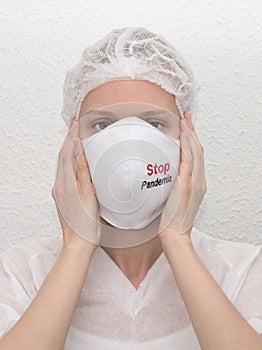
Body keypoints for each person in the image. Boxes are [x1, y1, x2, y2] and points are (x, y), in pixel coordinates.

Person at [0, 27, 261, 350]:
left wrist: (177, 240)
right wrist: (76, 249)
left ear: (187, 142)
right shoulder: (22, 272)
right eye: (103, 125)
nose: (128, 147)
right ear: (73, 144)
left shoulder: (242, 270)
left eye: (154, 124)